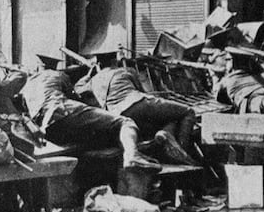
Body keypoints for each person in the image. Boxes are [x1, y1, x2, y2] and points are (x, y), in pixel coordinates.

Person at [20, 54, 160, 172]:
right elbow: (76, 97)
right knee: (125, 122)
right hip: (63, 110)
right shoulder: (58, 75)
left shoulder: (26, 85)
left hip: (47, 127)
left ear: (39, 67)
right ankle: (132, 156)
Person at [78, 50, 198, 165]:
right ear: (115, 61)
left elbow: (78, 88)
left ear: (98, 64)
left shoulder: (93, 81)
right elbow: (141, 91)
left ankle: (164, 134)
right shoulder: (126, 70)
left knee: (170, 117)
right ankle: (182, 151)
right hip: (135, 102)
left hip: (118, 115)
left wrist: (89, 73)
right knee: (187, 112)